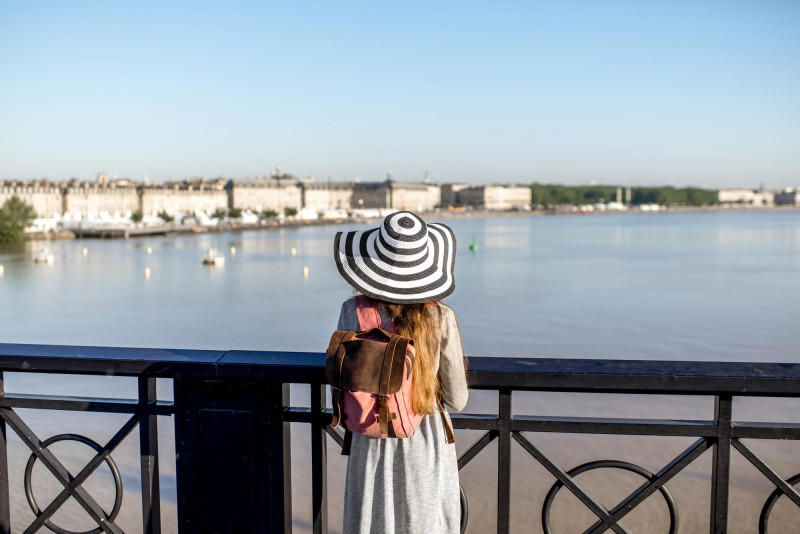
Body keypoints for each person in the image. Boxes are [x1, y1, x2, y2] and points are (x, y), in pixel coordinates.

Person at [333, 210, 469, 534]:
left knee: (370, 518)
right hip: (425, 434)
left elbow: (342, 379)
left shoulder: (351, 312)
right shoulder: (440, 317)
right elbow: (458, 398)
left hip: (369, 431)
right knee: (422, 519)